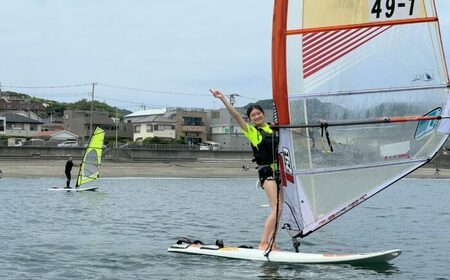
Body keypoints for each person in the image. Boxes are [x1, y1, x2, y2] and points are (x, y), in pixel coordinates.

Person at [211, 89, 283, 251]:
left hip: (279, 172)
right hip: (266, 172)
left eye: (259, 114)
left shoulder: (274, 128)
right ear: (250, 119)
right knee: (276, 208)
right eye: (253, 115)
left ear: (263, 114)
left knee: (280, 209)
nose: (256, 117)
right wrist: (222, 98)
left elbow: (295, 131)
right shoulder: (251, 131)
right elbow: (236, 116)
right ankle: (263, 242)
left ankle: (273, 242)